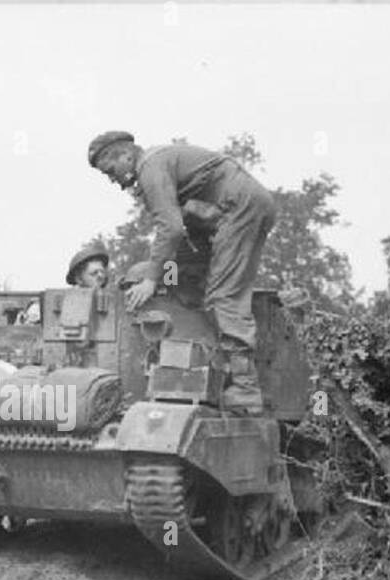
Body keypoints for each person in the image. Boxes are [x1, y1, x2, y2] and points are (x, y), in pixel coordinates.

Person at [88, 130, 276, 413]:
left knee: (224, 296)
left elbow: (170, 228)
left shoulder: (150, 168)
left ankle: (245, 389)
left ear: (126, 155)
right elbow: (184, 228)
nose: (113, 180)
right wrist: (168, 273)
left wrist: (151, 280)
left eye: (111, 171)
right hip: (233, 211)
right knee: (190, 274)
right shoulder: (157, 164)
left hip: (238, 210)